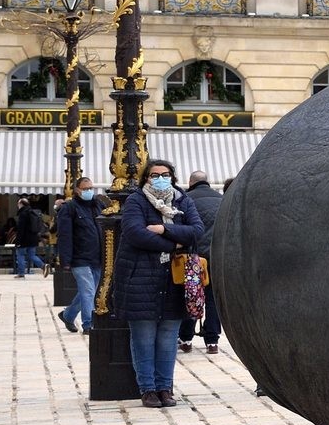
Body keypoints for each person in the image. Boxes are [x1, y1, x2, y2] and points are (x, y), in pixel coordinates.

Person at [113, 159, 204, 409]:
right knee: (143, 338)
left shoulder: (183, 201)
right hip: (140, 279)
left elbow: (197, 230)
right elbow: (134, 233)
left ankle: (165, 388)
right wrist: (175, 243)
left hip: (174, 281)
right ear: (146, 178)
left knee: (167, 338)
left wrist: (163, 230)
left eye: (165, 174)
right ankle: (148, 389)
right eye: (155, 175)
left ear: (172, 177)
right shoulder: (136, 201)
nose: (160, 178)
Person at [178, 171, 226, 354]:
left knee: (191, 296)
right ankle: (212, 341)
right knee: (213, 298)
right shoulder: (221, 199)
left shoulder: (186, 200)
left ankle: (186, 338)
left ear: (190, 183)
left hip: (193, 257)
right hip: (216, 255)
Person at [55, 177, 106, 334]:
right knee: (88, 291)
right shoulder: (69, 208)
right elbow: (64, 235)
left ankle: (68, 315)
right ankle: (88, 324)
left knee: (90, 291)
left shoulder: (98, 205)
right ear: (77, 190)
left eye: (91, 187)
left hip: (97, 257)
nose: (89, 191)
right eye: (85, 189)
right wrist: (65, 260)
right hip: (79, 257)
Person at [12, 197, 43, 278]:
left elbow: (20, 229)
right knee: (32, 255)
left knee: (20, 255)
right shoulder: (32, 212)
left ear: (21, 204)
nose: (17, 205)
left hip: (24, 239)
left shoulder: (23, 214)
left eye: (18, 203)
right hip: (33, 238)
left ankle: (21, 273)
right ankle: (43, 266)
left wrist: (17, 241)